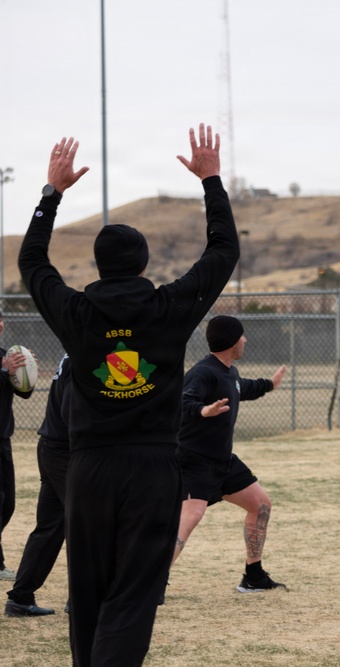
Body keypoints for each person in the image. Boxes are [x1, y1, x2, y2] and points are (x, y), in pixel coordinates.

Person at [18, 126, 240, 666]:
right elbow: (223, 250)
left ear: (99, 266)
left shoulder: (77, 313)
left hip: (89, 470)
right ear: (142, 265)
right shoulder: (168, 307)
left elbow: (32, 264)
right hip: (151, 468)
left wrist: (51, 195)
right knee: (133, 593)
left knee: (89, 593)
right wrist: (211, 181)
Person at [170, 316, 287, 594]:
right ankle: (150, 584)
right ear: (231, 341)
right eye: (242, 336)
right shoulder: (203, 372)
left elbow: (242, 388)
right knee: (190, 518)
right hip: (194, 461)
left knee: (260, 505)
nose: (245, 340)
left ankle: (254, 576)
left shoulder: (228, 371)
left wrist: (269, 384)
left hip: (222, 462)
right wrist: (203, 411)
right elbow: (183, 401)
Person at [5, 354, 71, 616]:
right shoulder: (84, 355)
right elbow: (71, 410)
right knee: (88, 523)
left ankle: (20, 597)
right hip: (66, 452)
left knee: (52, 527)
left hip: (52, 446)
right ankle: (82, 599)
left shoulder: (75, 352)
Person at [0, 322, 36, 582]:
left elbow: (24, 393)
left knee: (8, 504)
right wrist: (4, 371)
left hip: (3, 438)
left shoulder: (6, 353)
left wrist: (26, 372)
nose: (0, 323)